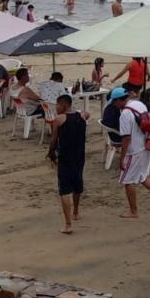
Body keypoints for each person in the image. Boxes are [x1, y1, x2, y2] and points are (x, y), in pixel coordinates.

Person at [114, 87, 150, 218]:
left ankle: (133, 211)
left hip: (135, 149)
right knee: (142, 176)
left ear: (119, 100)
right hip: (146, 145)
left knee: (128, 180)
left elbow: (126, 138)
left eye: (115, 102)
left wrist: (122, 157)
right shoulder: (138, 104)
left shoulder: (125, 114)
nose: (115, 105)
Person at [46, 94, 90, 234]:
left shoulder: (59, 119)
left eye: (58, 105)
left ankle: (68, 224)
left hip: (65, 157)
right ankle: (76, 212)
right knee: (77, 184)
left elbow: (53, 140)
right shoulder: (81, 117)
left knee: (64, 190)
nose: (56, 108)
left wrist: (51, 153)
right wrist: (76, 112)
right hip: (79, 156)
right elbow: (86, 113)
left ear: (64, 105)